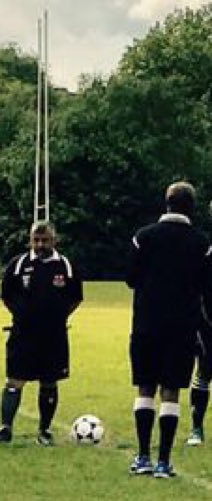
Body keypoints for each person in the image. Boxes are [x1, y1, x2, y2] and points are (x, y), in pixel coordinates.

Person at [125, 182, 208, 478]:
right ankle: (164, 461)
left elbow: (131, 278)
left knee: (145, 387)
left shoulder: (143, 237)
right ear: (192, 208)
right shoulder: (202, 243)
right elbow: (206, 287)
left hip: (147, 323)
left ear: (167, 203)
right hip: (182, 327)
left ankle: (143, 456)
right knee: (171, 391)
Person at [0, 222, 81, 446]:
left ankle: (44, 430)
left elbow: (76, 297)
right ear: (30, 240)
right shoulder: (19, 264)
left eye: (45, 240)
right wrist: (22, 315)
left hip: (54, 335)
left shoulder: (65, 266)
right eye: (36, 240)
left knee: (49, 381)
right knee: (14, 381)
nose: (40, 245)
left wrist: (58, 317)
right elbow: (6, 295)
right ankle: (5, 428)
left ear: (54, 240)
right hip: (23, 334)